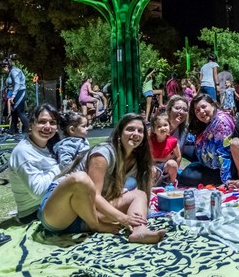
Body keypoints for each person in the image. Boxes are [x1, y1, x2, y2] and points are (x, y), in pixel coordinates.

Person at [37, 113, 165, 243]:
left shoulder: (137, 161)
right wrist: (123, 218)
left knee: (139, 194)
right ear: (119, 133)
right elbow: (95, 196)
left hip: (86, 216)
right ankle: (96, 226)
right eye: (130, 129)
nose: (136, 134)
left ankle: (139, 231)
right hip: (60, 213)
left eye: (140, 131)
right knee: (80, 179)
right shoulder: (103, 153)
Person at [9, 104, 62, 223]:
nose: (48, 126)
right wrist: (63, 166)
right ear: (31, 124)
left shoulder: (51, 145)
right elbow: (38, 192)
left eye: (52, 122)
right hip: (34, 212)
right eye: (42, 122)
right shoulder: (23, 152)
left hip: (53, 202)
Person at [180, 94, 234, 186]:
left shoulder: (221, 123)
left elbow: (224, 154)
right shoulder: (209, 121)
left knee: (186, 176)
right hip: (205, 156)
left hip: (218, 169)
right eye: (197, 110)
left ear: (212, 105)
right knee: (181, 147)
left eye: (204, 107)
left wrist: (226, 181)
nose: (201, 111)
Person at [148, 113, 180, 186]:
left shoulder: (173, 141)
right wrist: (163, 159)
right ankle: (152, 187)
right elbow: (148, 158)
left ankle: (171, 184)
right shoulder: (150, 141)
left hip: (165, 167)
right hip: (153, 166)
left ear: (169, 127)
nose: (163, 128)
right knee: (151, 169)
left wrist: (175, 169)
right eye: (159, 126)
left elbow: (178, 156)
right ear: (153, 130)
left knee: (172, 164)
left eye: (165, 125)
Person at [2, 59, 27, 136]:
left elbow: (17, 83)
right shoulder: (11, 72)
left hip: (20, 92)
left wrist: (13, 95)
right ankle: (13, 130)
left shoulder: (14, 71)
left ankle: (28, 129)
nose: (2, 69)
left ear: (7, 66)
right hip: (15, 92)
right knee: (14, 112)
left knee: (20, 112)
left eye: (3, 67)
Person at [165, 95, 194, 160]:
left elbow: (179, 155)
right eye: (177, 108)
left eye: (185, 110)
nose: (181, 112)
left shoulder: (184, 131)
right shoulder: (159, 126)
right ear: (169, 109)